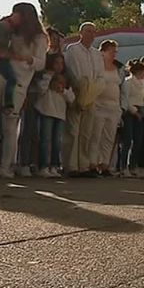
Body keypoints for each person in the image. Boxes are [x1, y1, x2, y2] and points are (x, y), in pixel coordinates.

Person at [0, 3, 47, 178]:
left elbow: (40, 63)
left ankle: (6, 167)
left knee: (10, 125)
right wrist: (4, 25)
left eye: (17, 13)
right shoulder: (9, 30)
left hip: (19, 81)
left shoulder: (39, 37)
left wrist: (18, 57)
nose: (13, 16)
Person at [63, 22, 104, 177]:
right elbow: (73, 73)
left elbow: (100, 76)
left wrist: (91, 92)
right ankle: (71, 166)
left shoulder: (96, 54)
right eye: (88, 31)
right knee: (73, 132)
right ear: (81, 33)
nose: (91, 34)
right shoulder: (72, 50)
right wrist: (82, 93)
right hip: (76, 94)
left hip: (92, 96)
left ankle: (84, 166)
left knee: (87, 133)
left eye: (93, 32)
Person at [35, 54, 74, 178]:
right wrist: (49, 78)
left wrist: (63, 90)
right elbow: (41, 90)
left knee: (57, 141)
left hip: (60, 113)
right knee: (45, 139)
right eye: (56, 63)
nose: (59, 66)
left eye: (61, 63)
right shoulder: (45, 76)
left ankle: (54, 166)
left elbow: (71, 99)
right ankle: (43, 166)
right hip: (46, 110)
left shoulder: (65, 79)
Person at [89, 40, 124, 176]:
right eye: (111, 51)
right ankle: (92, 163)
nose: (114, 54)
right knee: (96, 135)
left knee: (109, 137)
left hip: (114, 107)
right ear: (103, 51)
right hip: (98, 105)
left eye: (115, 51)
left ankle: (105, 164)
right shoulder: (97, 67)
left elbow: (121, 88)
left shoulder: (118, 69)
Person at [119, 61, 144, 177]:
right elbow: (125, 100)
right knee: (127, 140)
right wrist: (135, 112)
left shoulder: (141, 84)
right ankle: (123, 166)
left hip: (140, 111)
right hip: (130, 112)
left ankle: (133, 165)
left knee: (138, 140)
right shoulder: (128, 82)